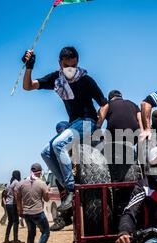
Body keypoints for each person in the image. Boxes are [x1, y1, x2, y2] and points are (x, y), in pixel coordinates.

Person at [22, 46, 109, 213]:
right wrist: (29, 67)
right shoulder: (56, 79)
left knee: (58, 145)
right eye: (66, 66)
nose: (70, 70)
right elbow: (27, 86)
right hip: (73, 123)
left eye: (73, 66)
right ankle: (68, 186)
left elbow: (105, 104)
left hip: (87, 122)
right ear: (60, 63)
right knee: (46, 152)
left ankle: (70, 189)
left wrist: (97, 127)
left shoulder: (86, 80)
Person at [16, 163, 50, 243]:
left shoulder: (21, 183)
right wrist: (47, 191)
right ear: (40, 172)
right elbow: (46, 199)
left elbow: (17, 197)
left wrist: (19, 210)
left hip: (26, 213)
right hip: (38, 213)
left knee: (31, 233)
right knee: (46, 232)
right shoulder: (41, 183)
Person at [4, 171, 23, 243]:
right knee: (16, 222)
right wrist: (19, 206)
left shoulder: (9, 183)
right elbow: (16, 194)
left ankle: (6, 239)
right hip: (13, 204)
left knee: (10, 222)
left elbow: (5, 193)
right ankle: (15, 240)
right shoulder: (16, 182)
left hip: (8, 204)